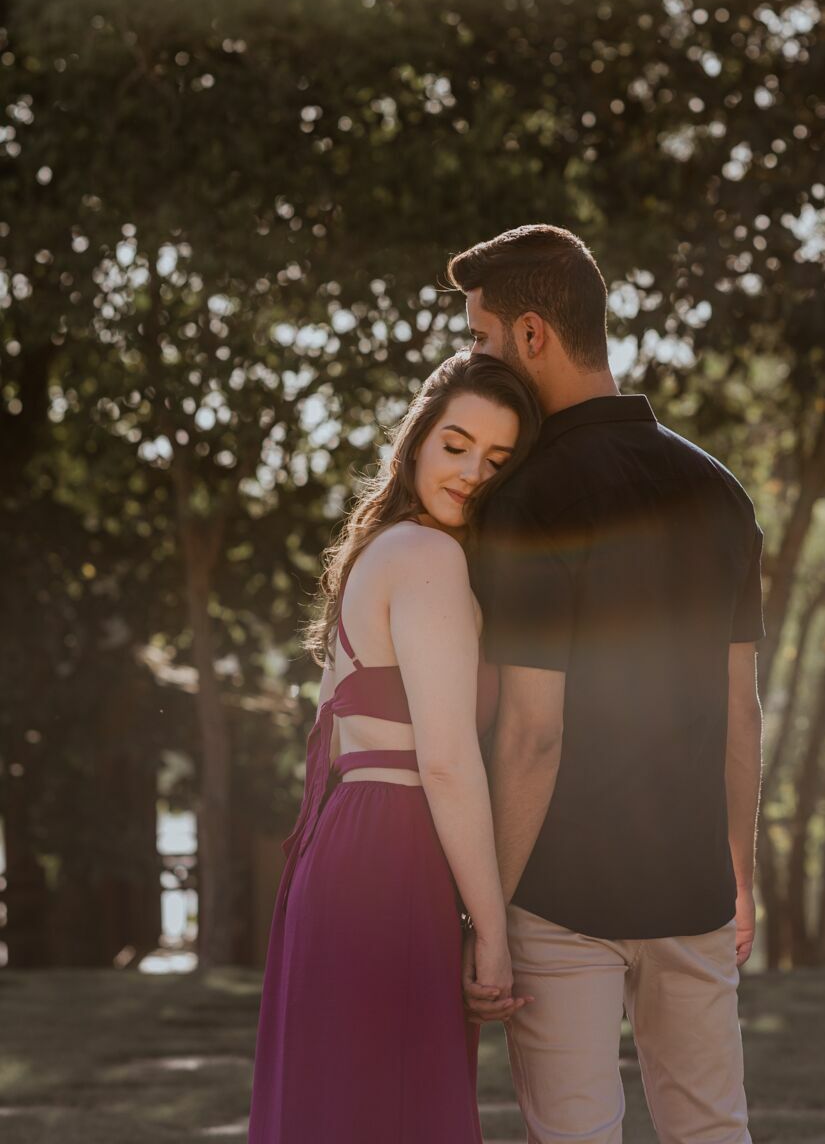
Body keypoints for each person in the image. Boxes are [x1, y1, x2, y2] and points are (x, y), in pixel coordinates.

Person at [449, 224, 764, 1144]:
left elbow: (531, 732)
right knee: (713, 1131)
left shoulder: (528, 497)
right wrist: (738, 873)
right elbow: (741, 709)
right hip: (694, 890)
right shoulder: (720, 491)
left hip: (561, 899)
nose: (475, 355)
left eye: (480, 337)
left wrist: (491, 914)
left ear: (533, 335)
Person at [248, 351, 540, 1144]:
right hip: (390, 854)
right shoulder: (428, 556)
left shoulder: (386, 549)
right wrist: (492, 932)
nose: (472, 471)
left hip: (348, 850)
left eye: (496, 459)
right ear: (416, 441)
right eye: (456, 444)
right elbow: (446, 760)